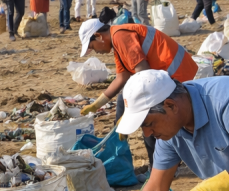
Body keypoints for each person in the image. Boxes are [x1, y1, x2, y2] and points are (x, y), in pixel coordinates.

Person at [78, 18, 197, 166]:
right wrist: (96, 105)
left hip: (179, 76)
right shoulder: (117, 43)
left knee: (148, 121)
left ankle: (158, 167)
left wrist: (130, 113)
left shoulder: (121, 36)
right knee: (122, 100)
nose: (96, 51)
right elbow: (121, 78)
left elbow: (143, 74)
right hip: (165, 78)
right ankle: (120, 149)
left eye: (92, 46)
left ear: (98, 36)